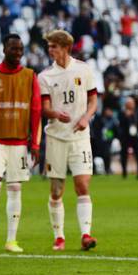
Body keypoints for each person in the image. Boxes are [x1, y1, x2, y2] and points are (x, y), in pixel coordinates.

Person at [0, 34, 42, 253]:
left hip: (20, 141)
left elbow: (36, 110)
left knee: (14, 188)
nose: (18, 52)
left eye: (20, 49)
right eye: (14, 48)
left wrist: (36, 143)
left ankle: (11, 239)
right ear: (4, 49)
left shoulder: (30, 76)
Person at [39, 29, 98, 252]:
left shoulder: (83, 69)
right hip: (56, 137)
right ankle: (59, 236)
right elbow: (44, 109)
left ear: (65, 47)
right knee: (56, 190)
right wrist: (55, 114)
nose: (50, 49)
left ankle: (86, 234)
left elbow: (93, 100)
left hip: (80, 137)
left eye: (53, 46)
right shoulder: (45, 76)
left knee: (82, 185)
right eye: (49, 46)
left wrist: (85, 117)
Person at [118, 98, 138, 179]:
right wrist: (126, 116)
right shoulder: (122, 113)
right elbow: (120, 124)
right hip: (125, 136)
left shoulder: (137, 113)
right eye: (130, 103)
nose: (131, 105)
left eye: (132, 103)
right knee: (124, 155)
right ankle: (124, 173)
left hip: (135, 136)